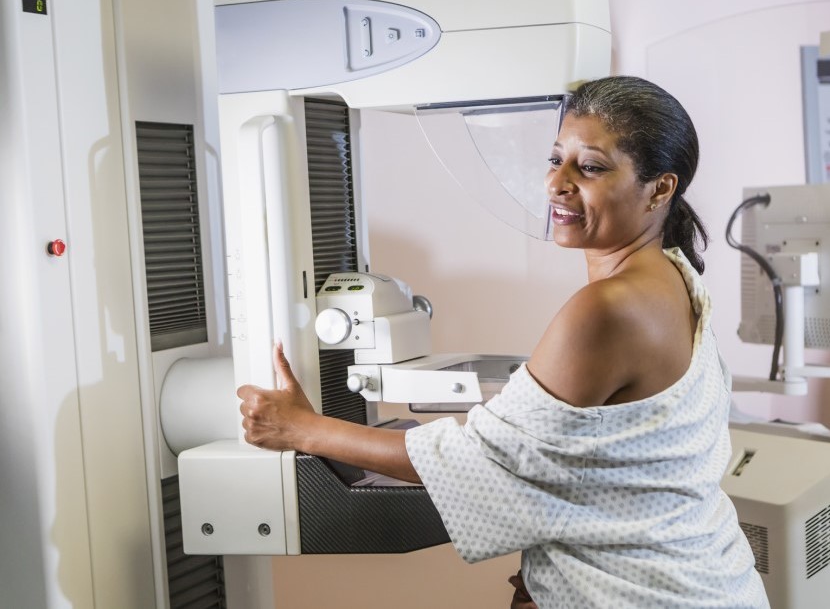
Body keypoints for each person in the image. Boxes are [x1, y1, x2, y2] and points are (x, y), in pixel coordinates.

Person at [237, 75, 769, 608]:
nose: (557, 183)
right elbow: (619, 473)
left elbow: (482, 463)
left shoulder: (608, 309)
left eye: (591, 167)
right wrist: (560, 571)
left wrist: (301, 429)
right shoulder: (675, 277)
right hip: (702, 582)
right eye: (555, 158)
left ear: (660, 188)